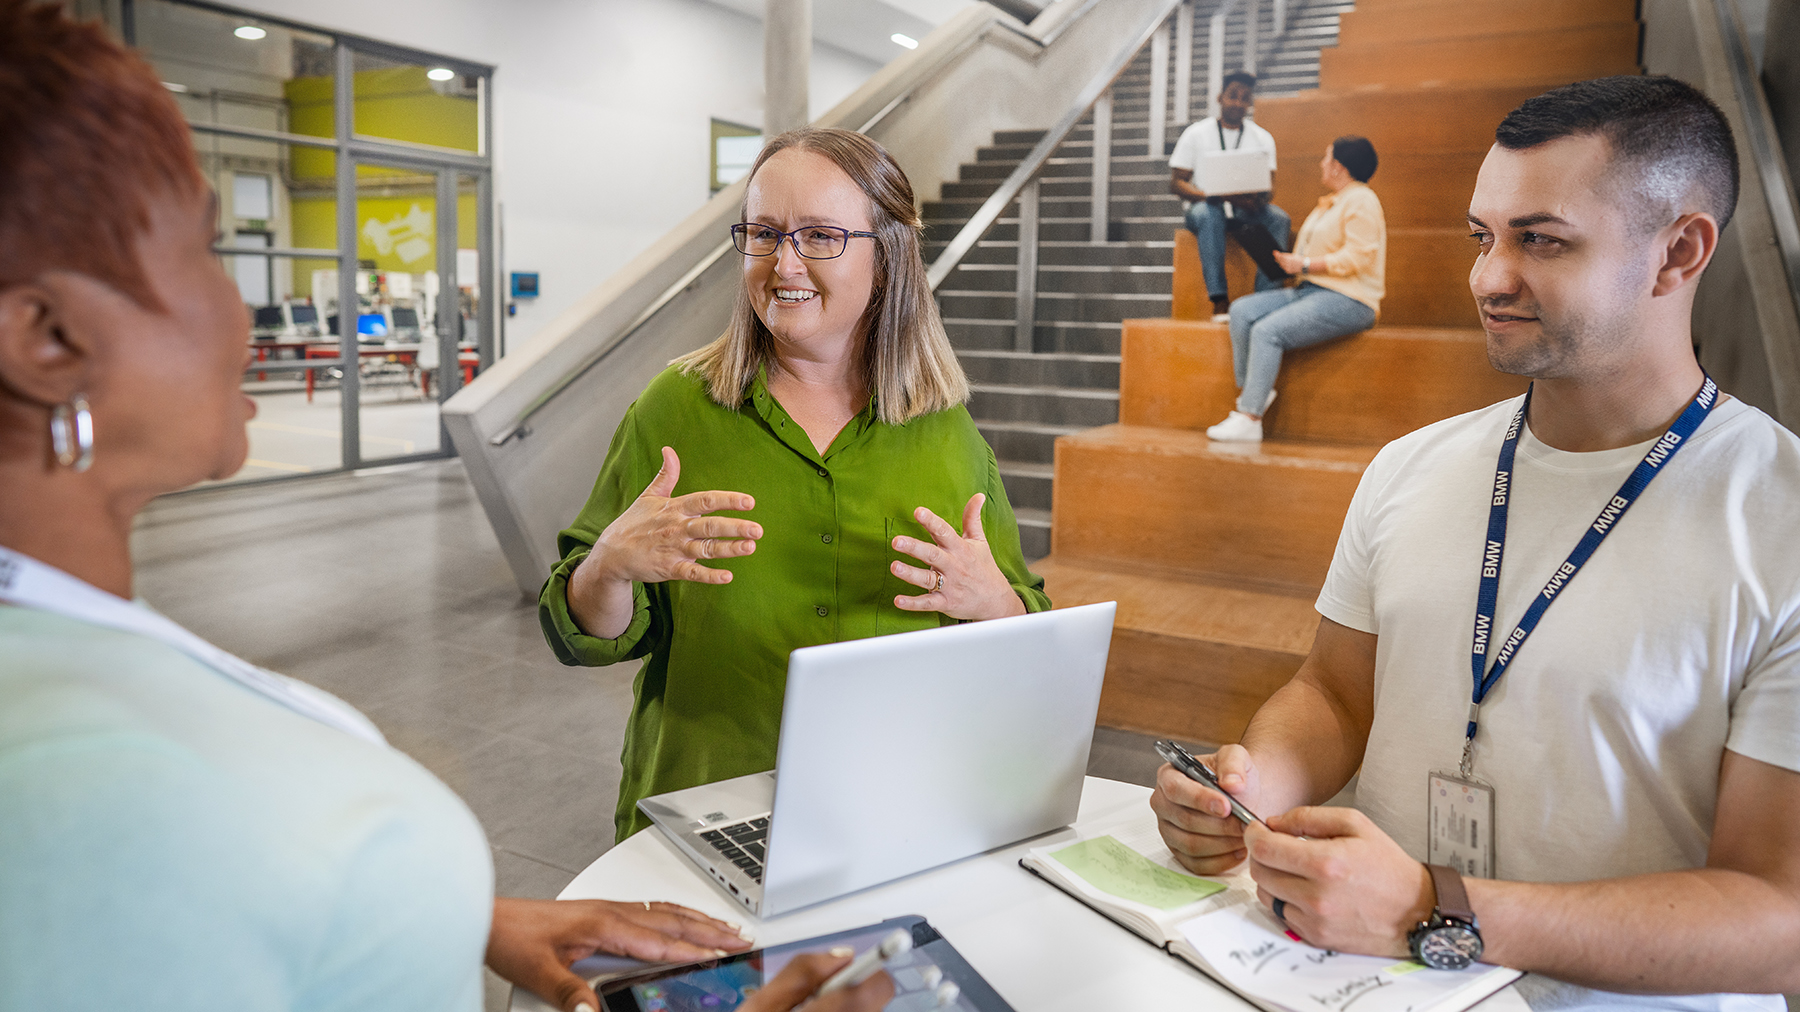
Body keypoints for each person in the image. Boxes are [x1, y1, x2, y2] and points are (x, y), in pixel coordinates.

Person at [0, 6, 891, 1012]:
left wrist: (463, 914)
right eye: (203, 252)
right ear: (47, 338)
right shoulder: (78, 784)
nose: (241, 309)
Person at [1152, 75, 1800, 1010]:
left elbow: (1777, 919)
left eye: (1540, 239)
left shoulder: (1776, 516)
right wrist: (1248, 789)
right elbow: (1336, 691)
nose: (1488, 277)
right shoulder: (1411, 468)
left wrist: (1436, 908)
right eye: (1481, 236)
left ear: (1678, 254)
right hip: (1361, 984)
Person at [541, 127, 1050, 841]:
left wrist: (994, 602)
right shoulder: (674, 410)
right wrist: (607, 568)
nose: (782, 264)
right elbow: (585, 636)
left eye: (818, 236)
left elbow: (1025, 632)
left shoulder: (946, 430)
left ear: (889, 253)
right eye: (764, 233)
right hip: (702, 811)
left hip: (888, 810)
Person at [1205, 136, 1385, 443]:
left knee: (1266, 331)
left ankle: (1250, 417)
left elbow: (1358, 256)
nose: (1321, 164)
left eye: (1326, 158)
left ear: (1339, 167)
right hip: (1311, 289)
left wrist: (1302, 264)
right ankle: (1254, 393)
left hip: (1350, 298)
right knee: (1242, 310)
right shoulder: (1331, 203)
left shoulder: (1362, 200)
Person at [1169, 71, 1291, 318]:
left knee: (1279, 219)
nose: (1237, 103)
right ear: (1219, 97)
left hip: (1244, 209)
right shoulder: (1197, 133)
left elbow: (1269, 189)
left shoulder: (1262, 138)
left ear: (1249, 103)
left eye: (1244, 98)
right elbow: (1176, 183)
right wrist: (1207, 196)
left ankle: (1264, 299)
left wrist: (1256, 200)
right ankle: (1220, 300)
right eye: (1232, 96)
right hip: (1205, 206)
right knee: (1208, 213)